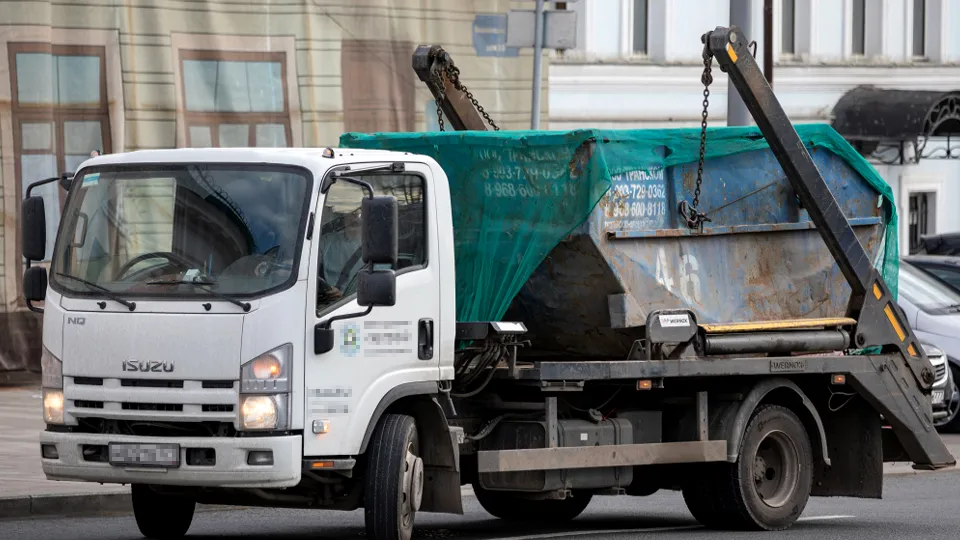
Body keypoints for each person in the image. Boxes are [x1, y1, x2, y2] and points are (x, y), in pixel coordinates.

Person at [317, 208, 364, 305]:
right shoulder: (328, 241)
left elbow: (380, 282)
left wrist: (346, 296)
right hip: (329, 304)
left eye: (360, 211)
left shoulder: (376, 246)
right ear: (344, 216)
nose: (355, 215)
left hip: (359, 302)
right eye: (351, 211)